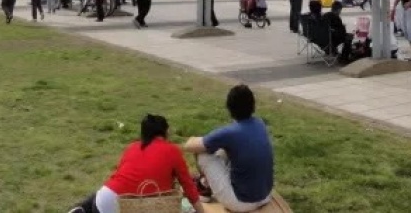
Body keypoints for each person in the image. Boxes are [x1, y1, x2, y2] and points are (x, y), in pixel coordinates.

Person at [67, 114, 203, 213]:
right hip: (129, 206)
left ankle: (81, 209)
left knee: (110, 189)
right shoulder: (172, 150)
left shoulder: (132, 147)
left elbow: (120, 177)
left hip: (102, 201)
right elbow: (188, 186)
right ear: (165, 131)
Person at [185, 85, 274, 212]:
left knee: (203, 155)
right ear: (253, 106)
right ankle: (205, 182)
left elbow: (189, 146)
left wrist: (199, 139)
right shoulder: (260, 123)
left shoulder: (229, 133)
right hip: (265, 195)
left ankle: (204, 187)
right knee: (224, 150)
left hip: (241, 203)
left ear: (229, 108)